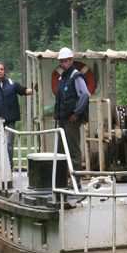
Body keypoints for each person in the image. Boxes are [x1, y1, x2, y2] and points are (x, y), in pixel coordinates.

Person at [0, 61, 32, 162]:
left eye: (1, 69)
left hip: (10, 120)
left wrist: (32, 90)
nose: (0, 71)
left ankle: (9, 166)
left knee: (9, 144)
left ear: (5, 71)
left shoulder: (12, 84)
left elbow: (23, 90)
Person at [53, 47, 90, 177]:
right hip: (62, 119)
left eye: (65, 61)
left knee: (73, 151)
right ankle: (61, 179)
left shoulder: (76, 76)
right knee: (61, 150)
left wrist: (76, 113)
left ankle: (77, 181)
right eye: (61, 61)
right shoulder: (62, 78)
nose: (63, 64)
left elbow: (85, 94)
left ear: (71, 61)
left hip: (71, 120)